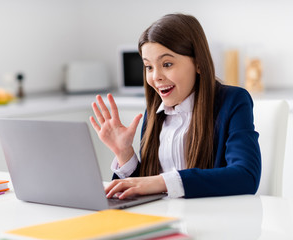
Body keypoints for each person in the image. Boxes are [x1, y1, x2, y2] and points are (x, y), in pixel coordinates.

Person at [90, 13, 261, 199]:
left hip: (210, 221)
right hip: (163, 220)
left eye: (167, 64)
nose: (155, 77)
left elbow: (246, 177)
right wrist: (125, 153)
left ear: (198, 64)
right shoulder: (155, 112)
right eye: (149, 67)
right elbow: (144, 187)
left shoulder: (233, 101)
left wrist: (163, 181)